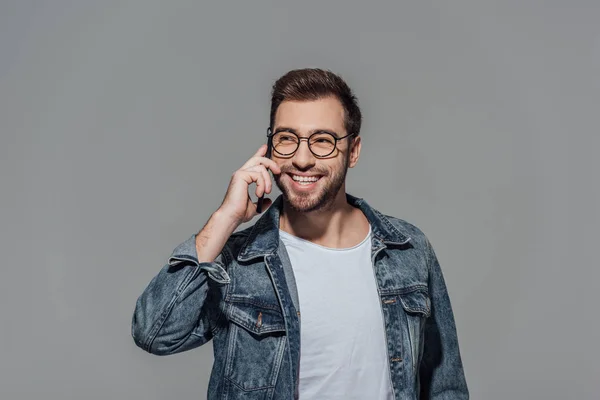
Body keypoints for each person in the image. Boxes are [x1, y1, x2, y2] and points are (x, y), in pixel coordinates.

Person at [131, 68, 469, 399]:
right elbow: (154, 334)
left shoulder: (408, 249)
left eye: (322, 140)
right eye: (287, 139)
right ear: (269, 147)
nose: (302, 159)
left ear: (353, 151)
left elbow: (444, 386)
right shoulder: (238, 262)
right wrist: (225, 218)